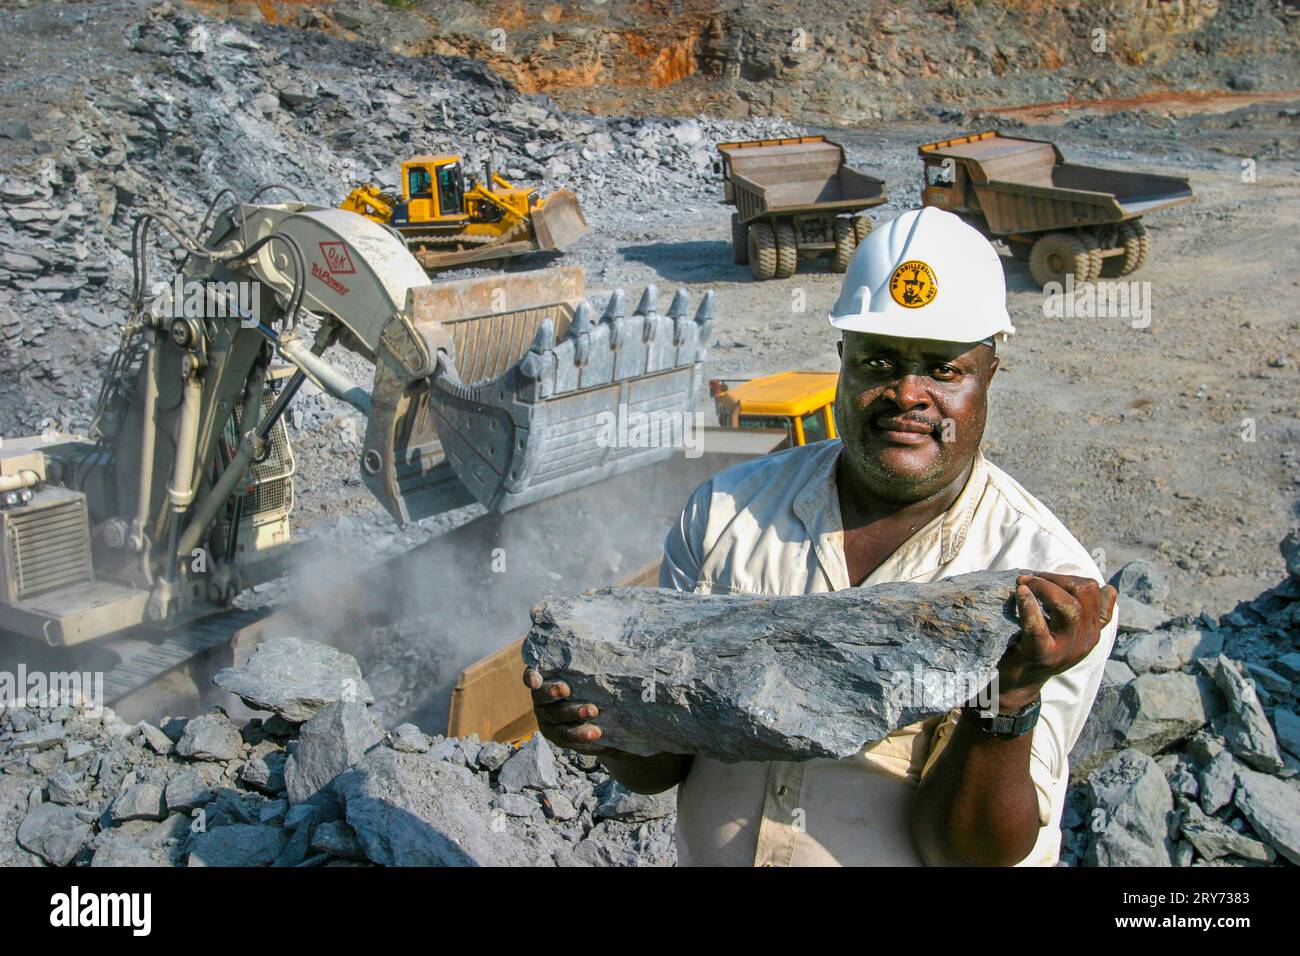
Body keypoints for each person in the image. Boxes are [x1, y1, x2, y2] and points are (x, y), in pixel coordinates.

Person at [525, 206, 1118, 866]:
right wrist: (611, 727)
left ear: (988, 375)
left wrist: (1006, 698)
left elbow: (974, 854)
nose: (908, 394)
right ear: (843, 361)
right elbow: (668, 766)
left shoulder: (1044, 586)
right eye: (880, 361)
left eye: (943, 370)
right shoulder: (726, 514)